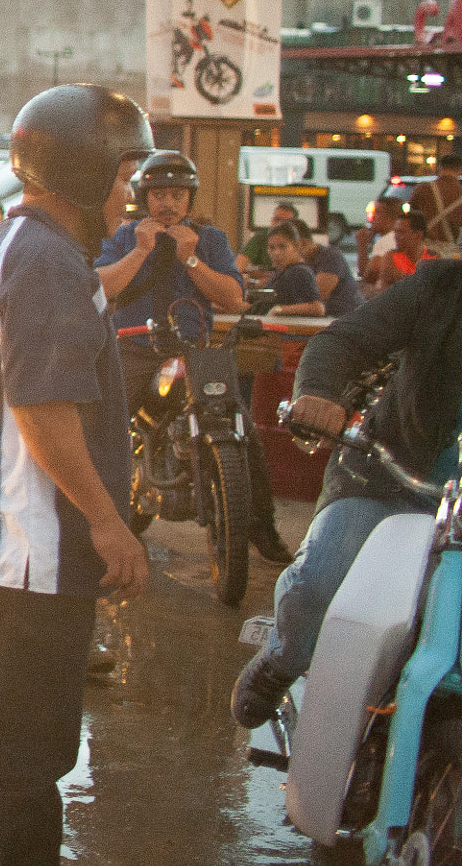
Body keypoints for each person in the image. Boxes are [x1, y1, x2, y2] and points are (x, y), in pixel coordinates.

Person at [0, 84, 154, 865]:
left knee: (16, 763)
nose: (128, 191)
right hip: (23, 555)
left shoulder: (36, 250)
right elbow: (44, 408)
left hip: (11, 554)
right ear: (82, 171)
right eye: (121, 173)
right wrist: (108, 522)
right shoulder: (42, 258)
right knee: (15, 765)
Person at [232, 258, 462, 729]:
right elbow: (345, 340)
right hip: (389, 477)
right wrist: (319, 394)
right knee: (319, 581)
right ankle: (282, 658)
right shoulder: (441, 286)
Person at [94, 150, 288, 561]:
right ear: (144, 196)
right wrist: (141, 251)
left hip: (194, 351)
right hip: (133, 347)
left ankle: (261, 526)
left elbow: (234, 298)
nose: (168, 203)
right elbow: (101, 287)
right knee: (101, 426)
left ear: (190, 198)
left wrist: (192, 259)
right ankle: (90, 524)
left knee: (242, 427)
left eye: (177, 194)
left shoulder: (210, 239)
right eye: (159, 193)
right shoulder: (124, 236)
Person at [297, 218, 363, 316]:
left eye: (284, 247)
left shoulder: (330, 255)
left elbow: (317, 296)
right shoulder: (300, 263)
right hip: (327, 320)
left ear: (305, 243)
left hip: (348, 319)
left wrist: (281, 308)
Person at [261, 222, 326, 317]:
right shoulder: (281, 272)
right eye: (271, 248)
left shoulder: (300, 272)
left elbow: (317, 308)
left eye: (282, 247)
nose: (276, 253)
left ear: (297, 246)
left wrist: (279, 310)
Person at [409, 154, 462, 256]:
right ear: (460, 170)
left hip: (423, 249)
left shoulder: (423, 189)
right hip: (450, 251)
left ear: (439, 167)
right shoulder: (459, 192)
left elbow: (410, 217)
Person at [373, 210, 428, 291]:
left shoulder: (433, 257)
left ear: (418, 235)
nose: (396, 237)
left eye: (401, 232)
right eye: (395, 232)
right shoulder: (390, 257)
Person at [358, 192, 404, 287]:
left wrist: (362, 245)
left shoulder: (386, 241)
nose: (373, 217)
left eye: (377, 213)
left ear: (391, 218)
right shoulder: (400, 238)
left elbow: (367, 276)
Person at [239, 203, 298, 274]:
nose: (279, 224)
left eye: (285, 222)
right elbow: (238, 266)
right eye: (277, 219)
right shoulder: (261, 237)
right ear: (272, 220)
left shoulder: (298, 241)